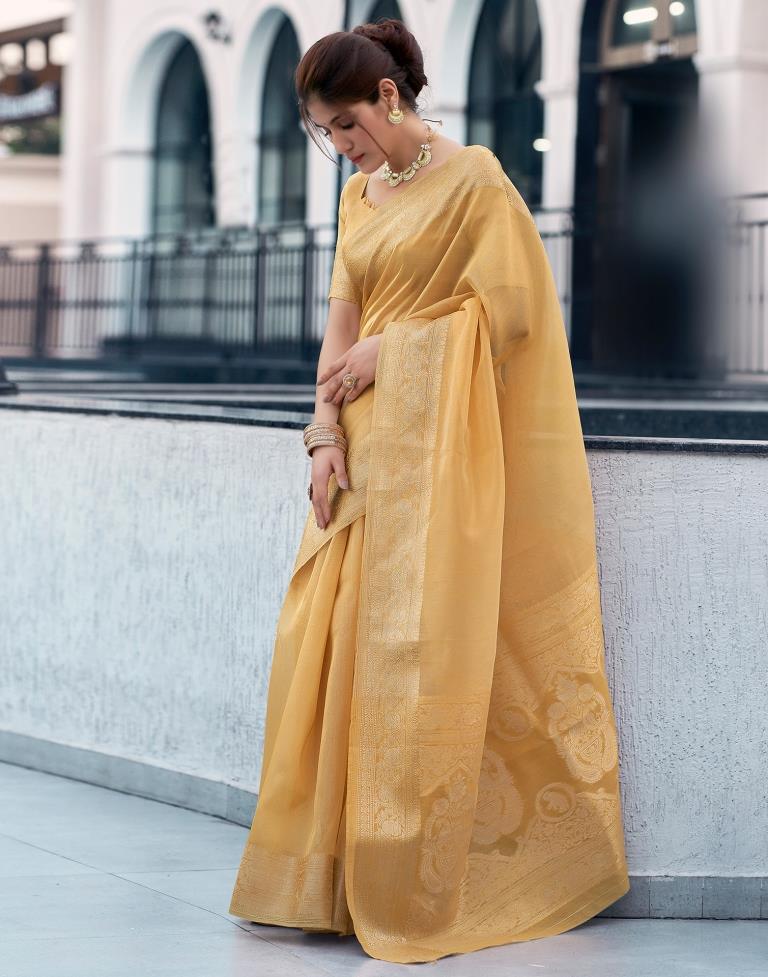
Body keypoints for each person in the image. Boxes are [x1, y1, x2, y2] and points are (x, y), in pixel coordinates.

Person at [229, 17, 630, 965]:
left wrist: (398, 351)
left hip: (445, 455)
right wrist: (322, 436)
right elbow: (340, 322)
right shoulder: (360, 199)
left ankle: (407, 871)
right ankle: (326, 878)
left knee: (426, 653)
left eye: (347, 127)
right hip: (368, 447)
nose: (340, 149)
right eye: (325, 133)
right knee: (327, 648)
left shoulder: (478, 178)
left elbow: (516, 315)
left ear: (390, 98)